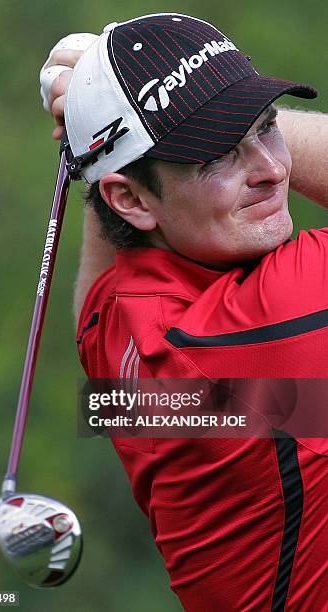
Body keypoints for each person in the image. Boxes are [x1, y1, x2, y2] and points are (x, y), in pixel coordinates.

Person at [40, 14, 328, 611]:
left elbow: (105, 259)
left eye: (267, 126)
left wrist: (100, 116)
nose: (273, 169)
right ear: (132, 200)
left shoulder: (119, 319)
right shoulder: (261, 331)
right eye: (216, 155)